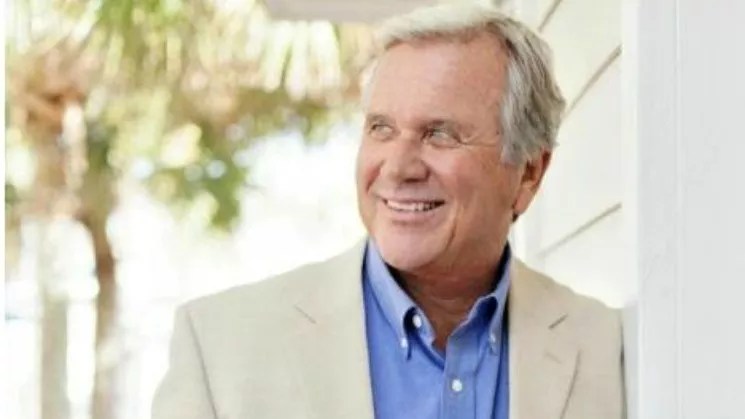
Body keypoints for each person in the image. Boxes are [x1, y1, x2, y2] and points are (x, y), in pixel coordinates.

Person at [152, 4, 625, 419]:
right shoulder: (219, 347)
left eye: (440, 134)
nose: (397, 168)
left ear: (528, 173)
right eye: (381, 128)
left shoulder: (606, 347)